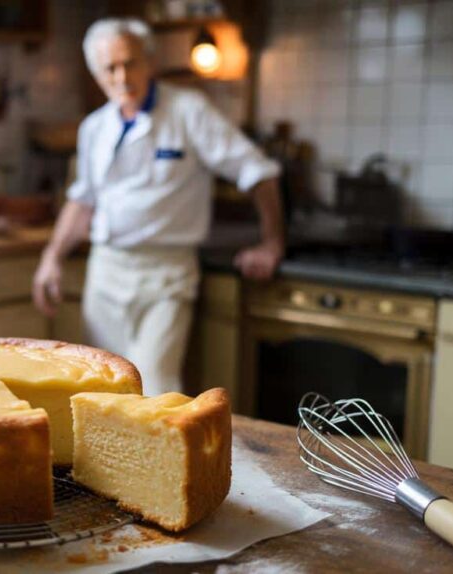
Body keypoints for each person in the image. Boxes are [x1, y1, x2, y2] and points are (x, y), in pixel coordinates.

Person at [32, 18, 284, 397]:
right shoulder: (94, 128)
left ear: (149, 62)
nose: (121, 76)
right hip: (106, 272)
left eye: (130, 63)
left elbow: (257, 172)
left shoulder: (188, 111)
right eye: (109, 68)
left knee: (154, 389)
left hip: (165, 273)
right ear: (96, 73)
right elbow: (83, 199)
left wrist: (272, 242)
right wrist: (52, 257)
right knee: (100, 390)